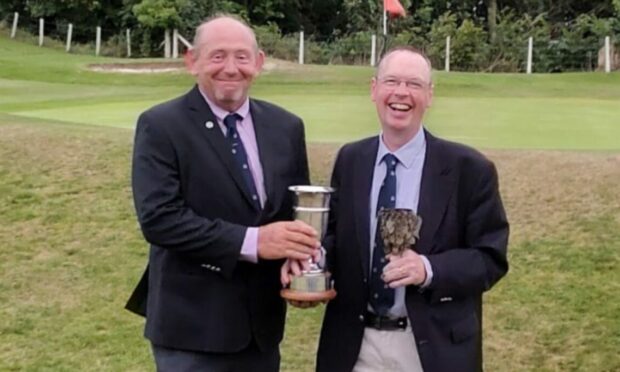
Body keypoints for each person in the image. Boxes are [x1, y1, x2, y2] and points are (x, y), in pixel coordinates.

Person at [282, 46, 509, 372]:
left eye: (414, 84)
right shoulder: (351, 159)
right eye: (391, 81)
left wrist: (428, 269)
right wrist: (311, 260)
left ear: (429, 95)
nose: (401, 93)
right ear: (374, 89)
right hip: (355, 346)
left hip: (430, 349)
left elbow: (490, 259)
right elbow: (337, 238)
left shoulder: (469, 169)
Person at [125, 14, 321, 372]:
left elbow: (293, 214)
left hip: (261, 330)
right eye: (217, 56)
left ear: (259, 63)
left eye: (242, 57)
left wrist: (298, 258)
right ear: (192, 61)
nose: (230, 68)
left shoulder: (286, 127)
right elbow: (160, 220)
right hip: (192, 332)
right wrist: (254, 241)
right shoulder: (161, 125)